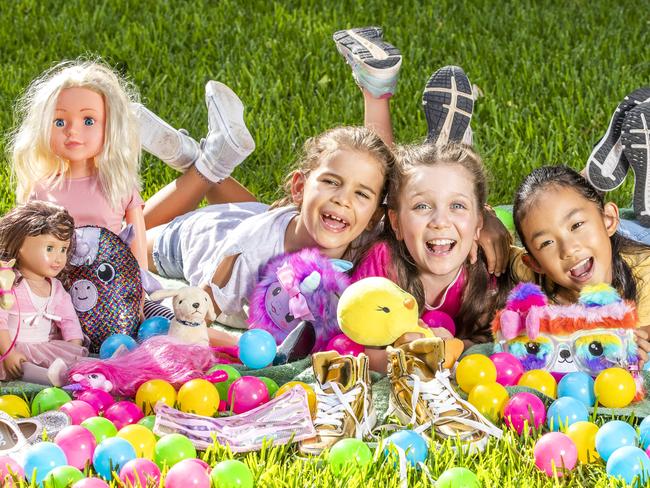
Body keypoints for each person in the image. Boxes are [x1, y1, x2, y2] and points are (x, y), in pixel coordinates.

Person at [140, 109, 395, 346]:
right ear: (299, 188)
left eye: (361, 194)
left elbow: (396, 192)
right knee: (125, 236)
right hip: (194, 238)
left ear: (374, 216)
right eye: (331, 181)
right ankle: (203, 167)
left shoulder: (370, 240)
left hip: (260, 215)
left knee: (256, 220)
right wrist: (254, 348)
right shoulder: (250, 249)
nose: (344, 199)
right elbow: (193, 321)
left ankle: (208, 159)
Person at [9, 60, 147, 267]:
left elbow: (138, 245)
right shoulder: (42, 189)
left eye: (88, 121)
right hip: (56, 287)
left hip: (109, 287)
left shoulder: (119, 185)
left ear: (111, 127)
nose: (73, 131)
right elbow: (25, 246)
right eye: (60, 122)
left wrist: (140, 288)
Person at [511, 165, 650, 362]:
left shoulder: (644, 274)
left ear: (608, 220)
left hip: (634, 238)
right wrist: (490, 221)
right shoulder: (530, 277)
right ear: (534, 262)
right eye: (547, 242)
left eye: (576, 225)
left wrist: (637, 335)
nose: (568, 250)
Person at [0, 201, 88, 386]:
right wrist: (9, 352)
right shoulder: (10, 282)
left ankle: (99, 367)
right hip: (11, 347)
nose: (58, 258)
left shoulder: (55, 288)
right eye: (50, 248)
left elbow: (69, 320)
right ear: (21, 246)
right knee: (22, 367)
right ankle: (49, 377)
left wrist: (73, 346)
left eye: (63, 249)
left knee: (74, 362)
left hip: (44, 347)